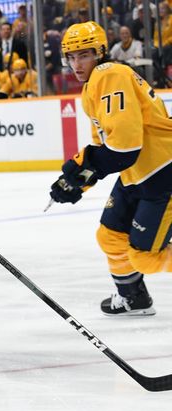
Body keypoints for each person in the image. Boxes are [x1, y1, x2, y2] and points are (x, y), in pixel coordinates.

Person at [48, 22, 172, 316]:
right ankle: (133, 298)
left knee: (145, 258)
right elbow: (108, 147)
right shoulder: (97, 84)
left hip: (163, 172)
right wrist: (78, 180)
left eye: (84, 55)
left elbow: (124, 149)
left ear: (101, 52)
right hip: (140, 173)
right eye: (71, 57)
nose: (77, 64)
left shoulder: (109, 73)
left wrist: (79, 174)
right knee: (110, 236)